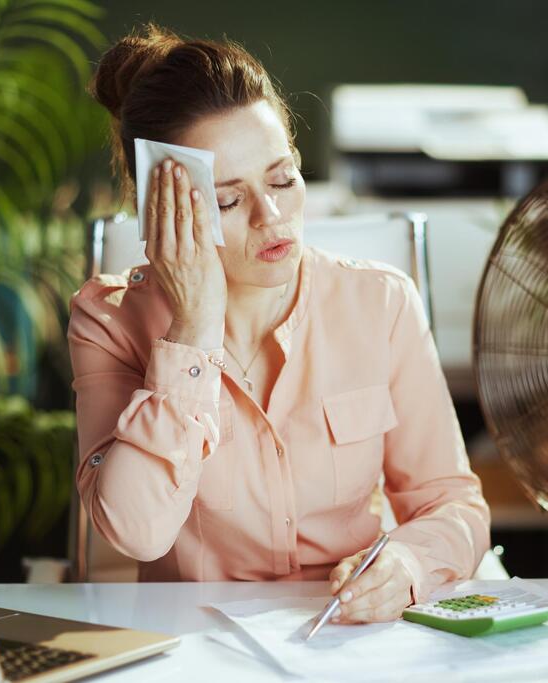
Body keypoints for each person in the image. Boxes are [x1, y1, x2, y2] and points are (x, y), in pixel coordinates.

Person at [68, 25, 491, 624]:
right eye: (226, 200)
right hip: (197, 646)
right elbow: (136, 532)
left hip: (349, 639)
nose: (273, 218)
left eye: (282, 178)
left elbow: (453, 503)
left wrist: (410, 565)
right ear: (164, 213)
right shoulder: (106, 319)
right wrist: (193, 326)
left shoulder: (381, 303)